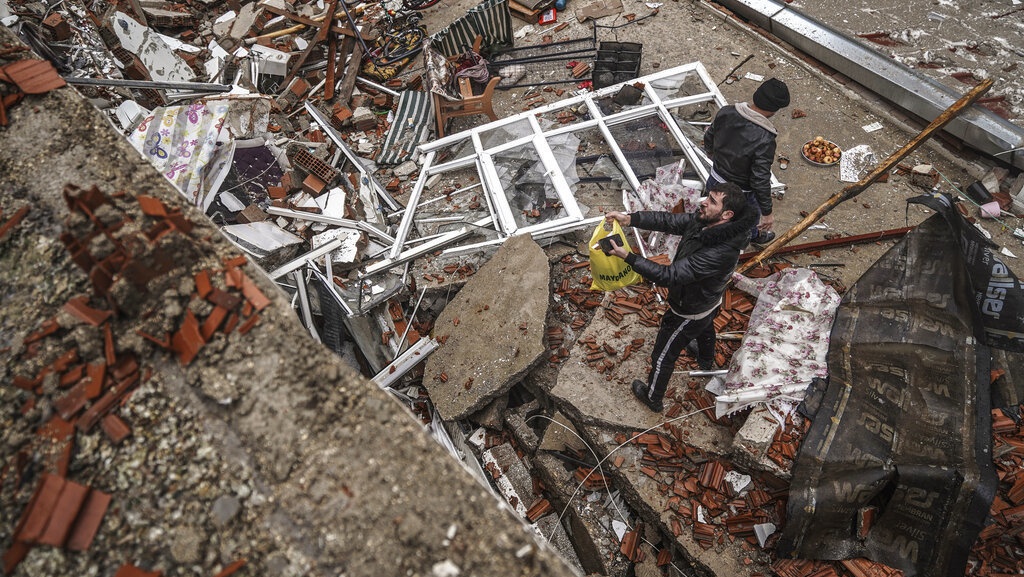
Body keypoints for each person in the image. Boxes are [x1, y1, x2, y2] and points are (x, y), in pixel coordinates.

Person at [604, 182, 756, 413]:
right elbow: (669, 221)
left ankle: (653, 397)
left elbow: (669, 276)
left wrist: (629, 257)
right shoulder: (706, 221)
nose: (703, 202)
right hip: (708, 299)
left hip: (688, 310)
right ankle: (705, 360)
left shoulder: (720, 252)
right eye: (707, 196)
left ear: (727, 215)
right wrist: (630, 218)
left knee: (663, 355)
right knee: (706, 327)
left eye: (712, 201)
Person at [703, 77, 790, 245]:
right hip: (742, 193)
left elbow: (709, 137)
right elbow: (760, 179)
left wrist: (712, 155)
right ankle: (751, 237)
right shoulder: (765, 138)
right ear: (775, 110)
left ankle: (711, 234)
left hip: (715, 179)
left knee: (714, 212)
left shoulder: (726, 112)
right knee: (746, 221)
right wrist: (767, 213)